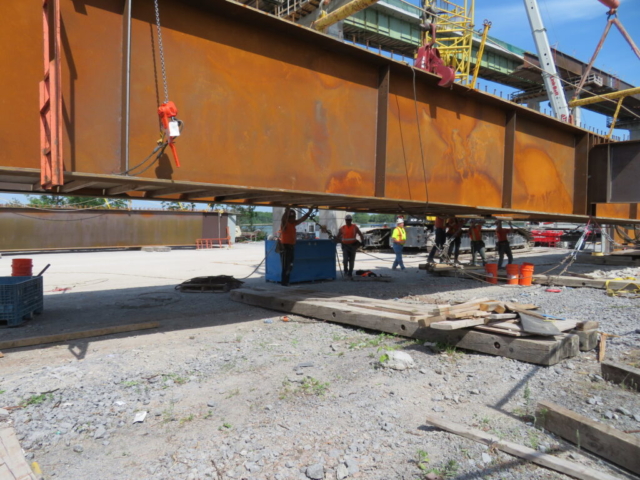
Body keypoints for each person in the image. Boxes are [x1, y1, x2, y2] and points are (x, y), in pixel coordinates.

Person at [279, 207, 313, 286]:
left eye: (293, 217)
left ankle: (287, 280)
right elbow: (283, 219)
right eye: (291, 217)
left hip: (291, 247)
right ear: (288, 217)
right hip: (285, 247)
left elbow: (302, 219)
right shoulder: (285, 224)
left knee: (290, 264)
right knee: (285, 265)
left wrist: (309, 212)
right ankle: (284, 282)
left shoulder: (293, 224)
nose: (293, 219)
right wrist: (286, 211)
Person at [336, 214, 365, 279]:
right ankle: (345, 271)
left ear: (351, 220)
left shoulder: (355, 227)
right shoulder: (342, 228)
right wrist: (334, 240)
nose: (348, 221)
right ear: (345, 220)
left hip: (353, 246)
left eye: (349, 220)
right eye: (347, 220)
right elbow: (337, 237)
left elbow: (360, 234)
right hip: (345, 246)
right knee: (345, 260)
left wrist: (363, 241)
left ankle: (350, 273)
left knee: (351, 260)